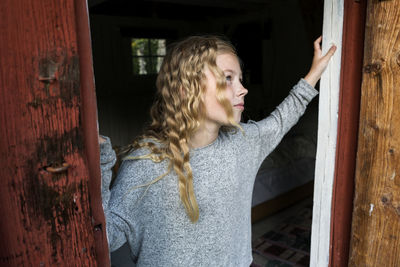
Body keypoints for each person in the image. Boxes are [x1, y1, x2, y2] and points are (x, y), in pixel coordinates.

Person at [99, 35, 336, 266]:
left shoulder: (243, 143)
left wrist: (314, 73)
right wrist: (99, 163)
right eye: (228, 78)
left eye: (240, 79)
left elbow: (281, 120)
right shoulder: (145, 163)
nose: (243, 89)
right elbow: (106, 238)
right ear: (186, 90)